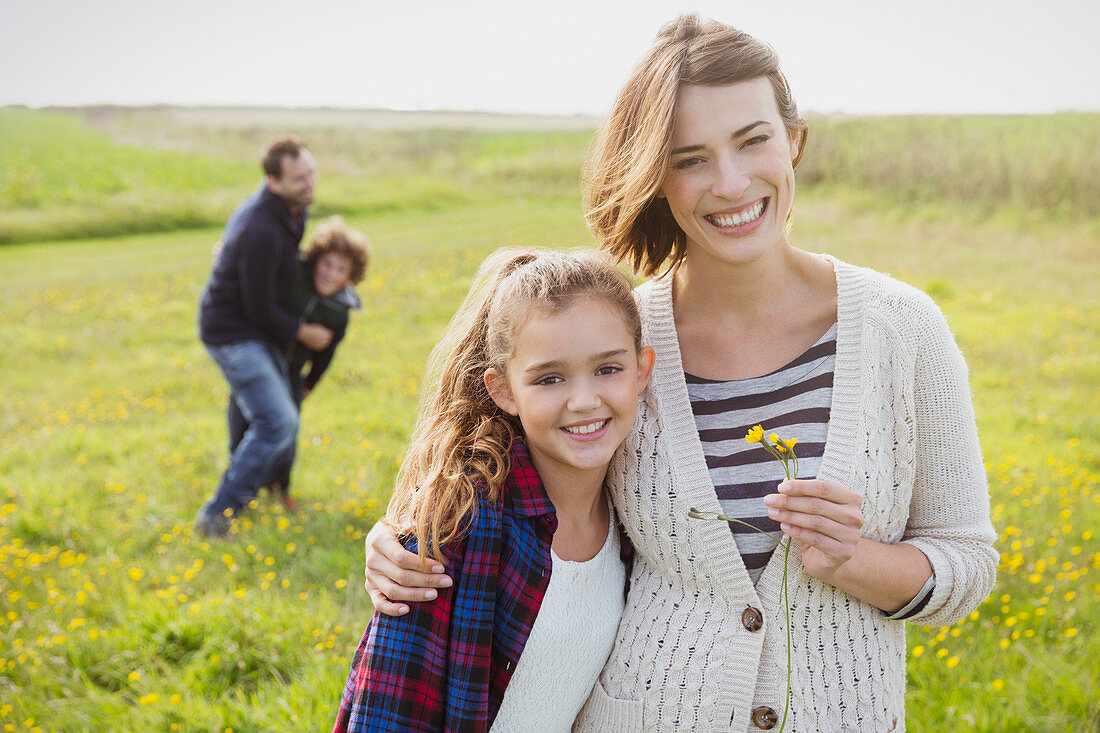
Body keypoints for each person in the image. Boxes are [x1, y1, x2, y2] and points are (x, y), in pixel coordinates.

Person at [362, 15, 997, 732]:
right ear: (656, 176)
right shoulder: (617, 345)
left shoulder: (904, 330)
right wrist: (404, 539)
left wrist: (854, 559)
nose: (730, 183)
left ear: (794, 140)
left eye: (753, 140)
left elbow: (967, 561)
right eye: (691, 158)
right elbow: (509, 479)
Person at [333, 249, 655, 732]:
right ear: (504, 390)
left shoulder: (634, 513)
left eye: (608, 369)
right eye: (550, 378)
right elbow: (388, 708)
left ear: (642, 370)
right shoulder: (466, 521)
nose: (585, 400)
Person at [195, 136, 333, 538]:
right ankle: (218, 514)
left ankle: (268, 492)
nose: (309, 184)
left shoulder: (291, 210)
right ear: (273, 181)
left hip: (253, 329)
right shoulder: (261, 227)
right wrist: (302, 330)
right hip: (232, 334)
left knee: (258, 412)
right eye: (298, 179)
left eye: (311, 173)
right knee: (277, 420)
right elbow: (258, 308)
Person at [227, 216, 370, 512]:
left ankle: (280, 490)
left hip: (292, 374)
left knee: (285, 436)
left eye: (341, 270)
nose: (331, 274)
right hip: (259, 364)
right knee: (241, 428)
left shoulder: (340, 311)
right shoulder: (293, 276)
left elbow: (326, 354)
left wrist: (309, 383)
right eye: (327, 264)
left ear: (351, 276)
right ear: (315, 258)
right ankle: (241, 491)